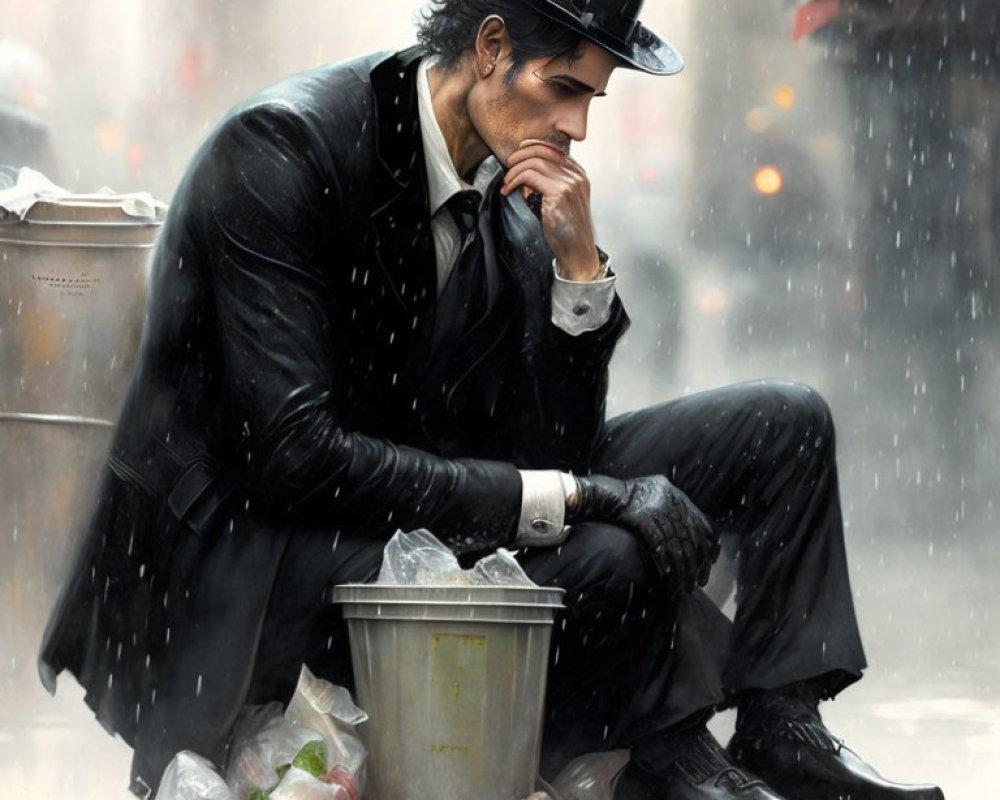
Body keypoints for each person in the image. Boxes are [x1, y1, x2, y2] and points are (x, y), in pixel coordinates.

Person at [39, 2, 945, 799]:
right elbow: (295, 457)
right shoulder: (286, 147)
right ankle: (654, 750)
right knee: (609, 553)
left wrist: (578, 274)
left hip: (410, 497)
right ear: (491, 45)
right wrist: (578, 500)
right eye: (563, 88)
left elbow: (560, 442)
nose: (578, 127)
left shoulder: (512, 197)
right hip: (256, 558)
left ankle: (779, 724)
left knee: (784, 422)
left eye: (591, 98)